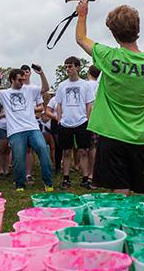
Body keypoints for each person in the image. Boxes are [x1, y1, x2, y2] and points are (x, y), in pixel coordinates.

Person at [75, 0, 144, 195]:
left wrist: (82, 15)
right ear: (137, 28)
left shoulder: (108, 56)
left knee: (120, 190)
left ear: (114, 34)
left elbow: (81, 38)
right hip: (141, 137)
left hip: (112, 135)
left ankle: (118, 226)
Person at [0, 67, 54, 192]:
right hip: (16, 131)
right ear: (12, 79)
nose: (22, 81)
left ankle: (48, 182)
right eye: (19, 80)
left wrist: (42, 73)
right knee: (18, 158)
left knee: (43, 150)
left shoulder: (30, 90)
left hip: (33, 128)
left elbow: (45, 89)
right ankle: (20, 184)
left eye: (23, 79)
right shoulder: (4, 93)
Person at [55, 56, 95, 189]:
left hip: (82, 121)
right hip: (65, 123)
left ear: (77, 67)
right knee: (66, 152)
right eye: (66, 67)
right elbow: (59, 104)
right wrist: (59, 120)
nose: (68, 69)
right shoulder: (62, 85)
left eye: (70, 66)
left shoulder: (86, 85)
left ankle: (85, 178)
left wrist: (89, 121)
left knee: (84, 151)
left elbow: (89, 104)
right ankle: (66, 178)